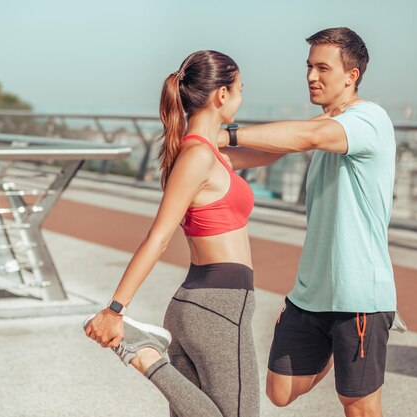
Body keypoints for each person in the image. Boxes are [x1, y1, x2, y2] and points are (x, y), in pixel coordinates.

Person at [84, 50, 281, 417]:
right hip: (218, 307)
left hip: (200, 305)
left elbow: (274, 151)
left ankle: (146, 355)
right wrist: (115, 309)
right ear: (222, 95)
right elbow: (157, 238)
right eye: (240, 89)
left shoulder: (211, 154)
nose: (241, 97)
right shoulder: (198, 158)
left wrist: (326, 123)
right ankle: (144, 357)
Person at [220, 27, 397, 417]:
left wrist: (226, 132)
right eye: (308, 67)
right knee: (279, 391)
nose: (311, 77)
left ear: (351, 76)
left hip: (359, 297)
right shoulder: (326, 128)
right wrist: (199, 148)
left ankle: (346, 358)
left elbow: (309, 136)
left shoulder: (368, 119)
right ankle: (333, 349)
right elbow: (264, 154)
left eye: (322, 68)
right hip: (311, 294)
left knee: (359, 407)